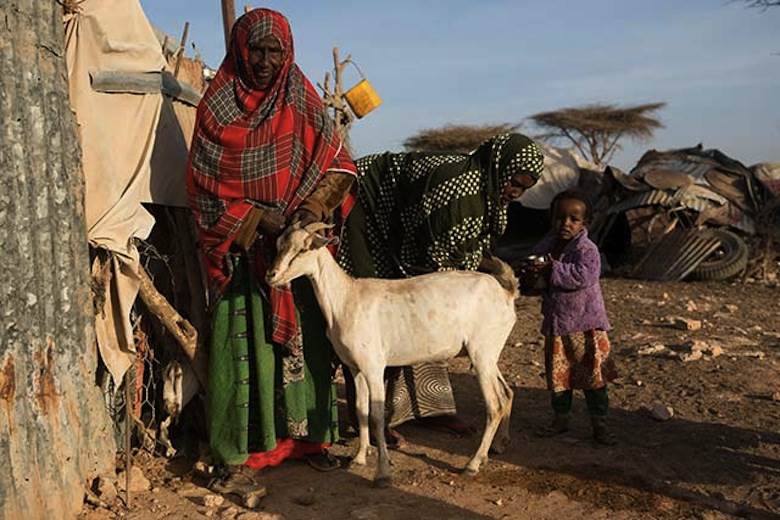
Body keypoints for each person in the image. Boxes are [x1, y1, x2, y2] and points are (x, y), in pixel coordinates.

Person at [186, 8, 357, 479]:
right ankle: (241, 449)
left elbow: (339, 166)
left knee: (310, 350)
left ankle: (311, 440)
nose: (263, 60)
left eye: (273, 50)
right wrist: (257, 217)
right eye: (255, 50)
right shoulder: (215, 108)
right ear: (239, 51)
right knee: (244, 350)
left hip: (296, 255)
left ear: (288, 52)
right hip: (243, 258)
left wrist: (312, 211)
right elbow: (203, 188)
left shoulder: (301, 98)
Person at [337, 133, 545, 444]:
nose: (515, 192)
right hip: (366, 213)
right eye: (514, 182)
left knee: (427, 321)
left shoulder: (485, 193)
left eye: (524, 188)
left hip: (406, 233)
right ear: (499, 167)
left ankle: (428, 409)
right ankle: (367, 417)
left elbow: (461, 255)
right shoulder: (457, 188)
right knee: (378, 319)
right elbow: (434, 266)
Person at [527, 189, 618, 445]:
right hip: (558, 324)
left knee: (593, 378)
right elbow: (537, 264)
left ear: (584, 223)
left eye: (573, 219)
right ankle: (561, 420)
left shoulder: (588, 250)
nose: (565, 223)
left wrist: (551, 268)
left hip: (585, 325)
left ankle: (600, 424)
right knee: (559, 378)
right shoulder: (548, 243)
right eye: (560, 217)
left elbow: (583, 276)